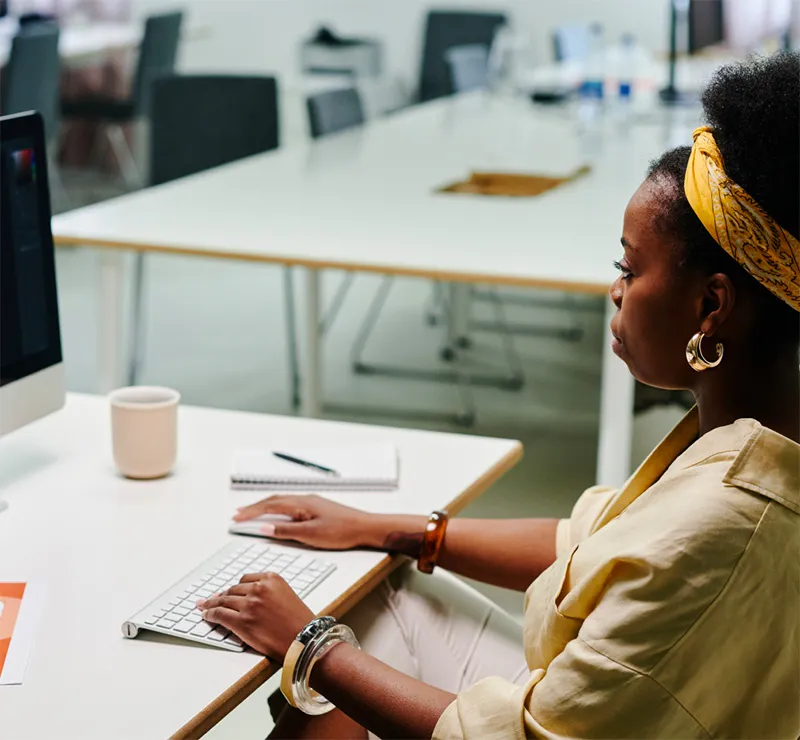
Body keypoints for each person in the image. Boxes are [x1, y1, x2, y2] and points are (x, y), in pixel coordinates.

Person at [198, 53, 800, 738]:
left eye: (628, 268)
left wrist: (310, 646)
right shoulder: (755, 429)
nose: (615, 290)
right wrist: (392, 529)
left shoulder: (729, 519)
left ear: (711, 306)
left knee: (333, 648)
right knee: (380, 596)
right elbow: (589, 541)